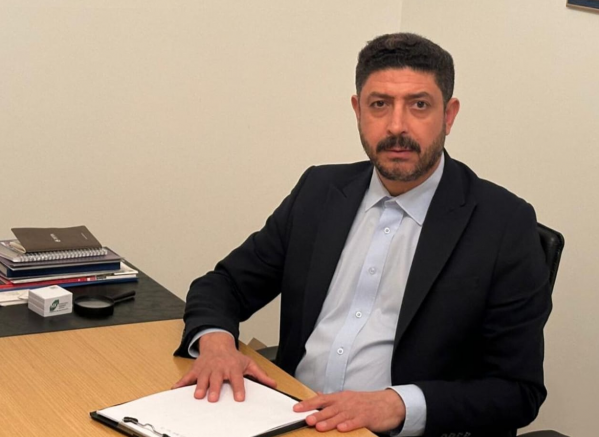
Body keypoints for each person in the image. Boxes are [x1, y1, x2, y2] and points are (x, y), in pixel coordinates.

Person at [173, 32, 552, 437]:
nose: (396, 126)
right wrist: (217, 344)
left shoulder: (504, 224)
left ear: (449, 115)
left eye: (419, 105)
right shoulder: (319, 191)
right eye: (379, 104)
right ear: (358, 111)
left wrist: (397, 404)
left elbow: (517, 391)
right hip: (289, 415)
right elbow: (224, 284)